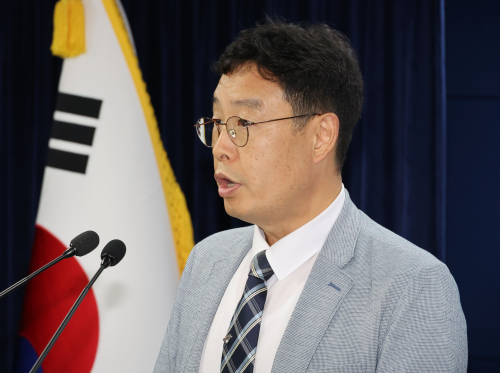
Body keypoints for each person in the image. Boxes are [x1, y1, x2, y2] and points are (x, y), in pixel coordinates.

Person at [154, 20, 467, 373]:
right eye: (216, 123)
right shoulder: (207, 261)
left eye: (243, 124)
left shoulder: (411, 289)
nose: (221, 148)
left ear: (321, 136)